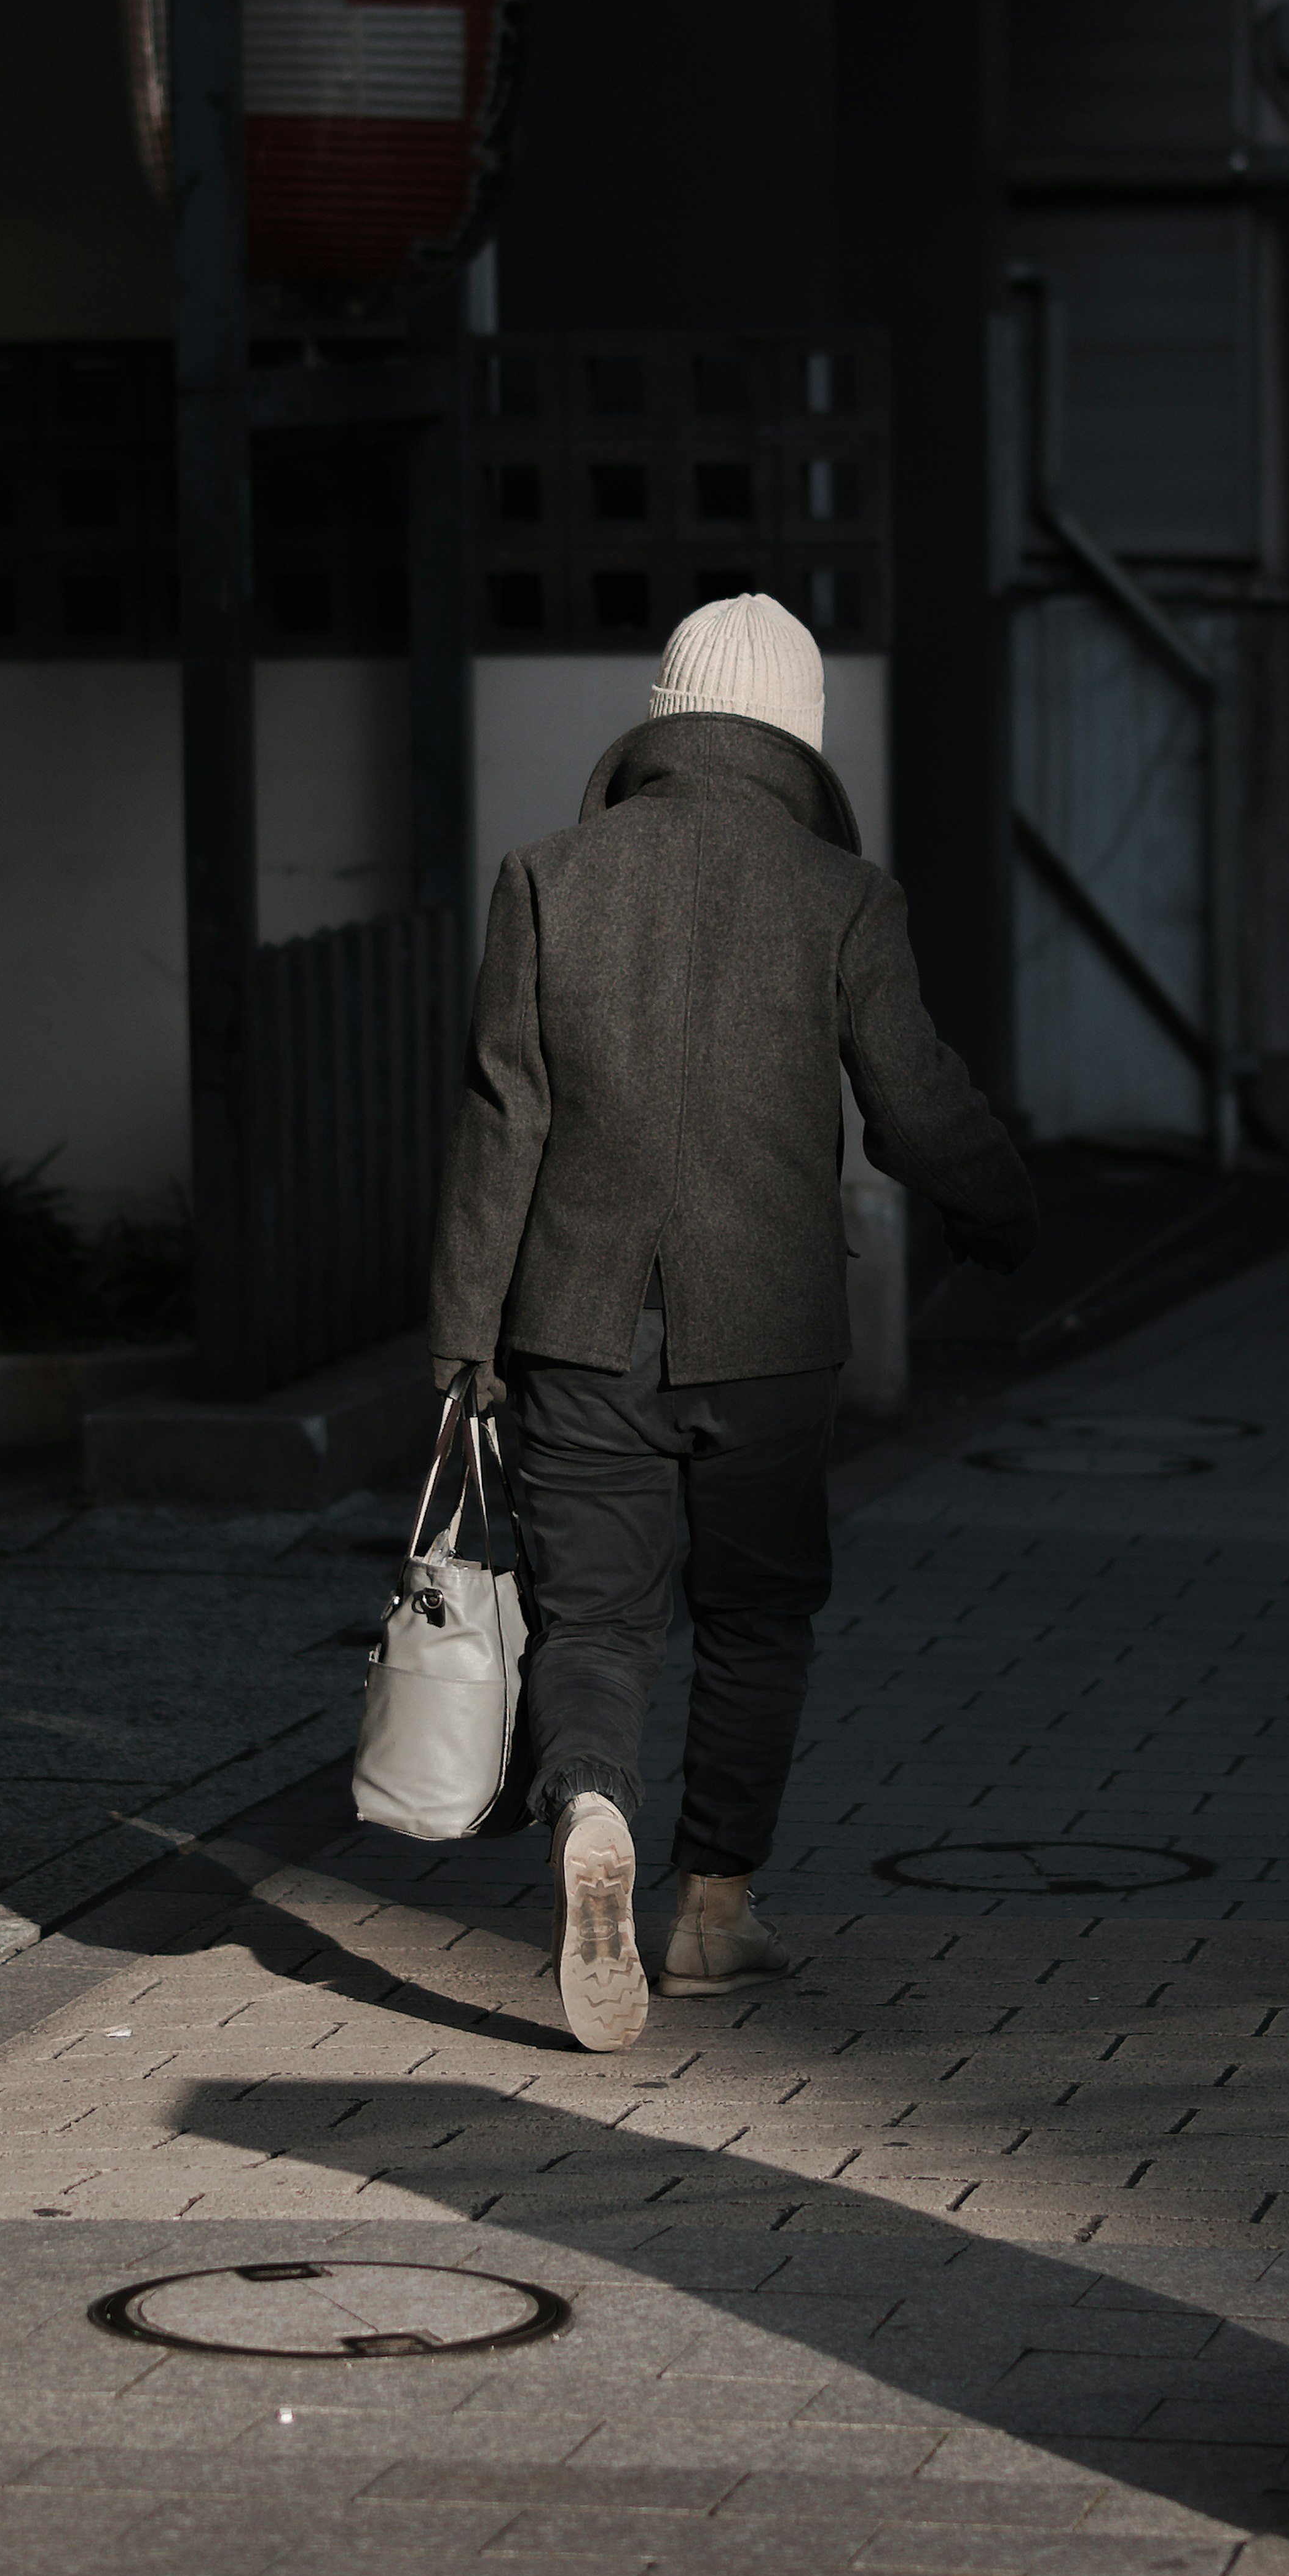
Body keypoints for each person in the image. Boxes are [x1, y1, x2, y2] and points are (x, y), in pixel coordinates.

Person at [427, 594, 1034, 2052]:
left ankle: (586, 1801)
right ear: (799, 741)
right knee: (757, 1618)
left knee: (597, 1619)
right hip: (768, 1336)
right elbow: (914, 1104)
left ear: (660, 716)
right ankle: (712, 1912)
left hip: (574, 1324)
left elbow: (502, 1129)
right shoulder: (843, 895)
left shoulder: (546, 877)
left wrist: (461, 1344)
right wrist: (999, 1206)